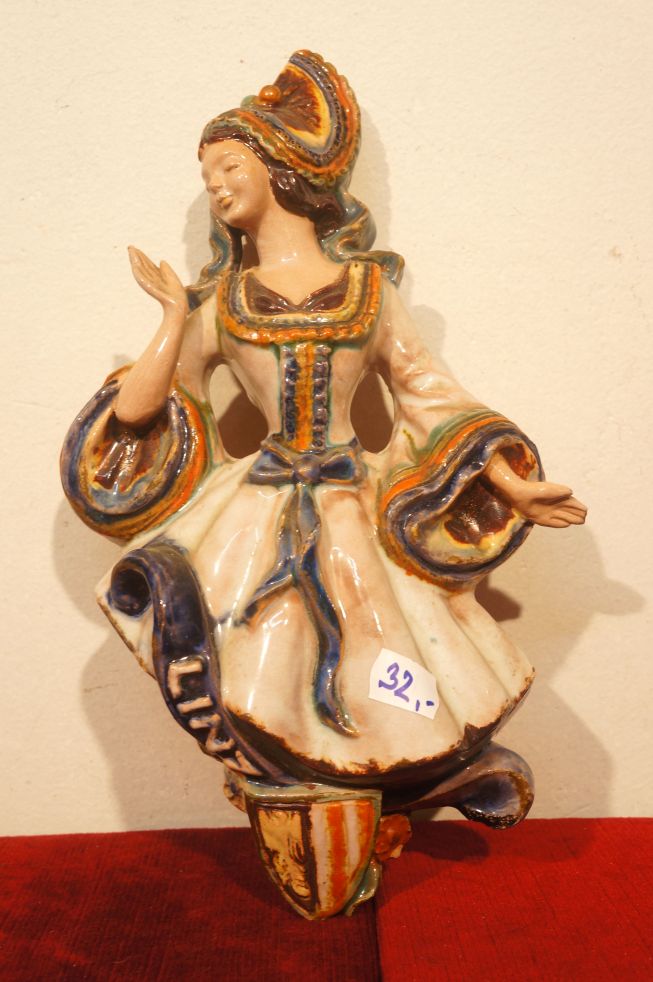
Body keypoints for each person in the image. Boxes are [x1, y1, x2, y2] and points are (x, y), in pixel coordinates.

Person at [62, 50, 586, 797]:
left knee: (372, 626)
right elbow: (142, 410)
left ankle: (387, 768)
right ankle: (288, 771)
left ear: (281, 171)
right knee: (259, 639)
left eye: (230, 167)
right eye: (206, 175)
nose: (216, 186)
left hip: (349, 498)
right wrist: (175, 315)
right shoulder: (226, 300)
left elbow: (429, 394)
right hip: (257, 503)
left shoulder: (368, 291)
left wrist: (507, 481)